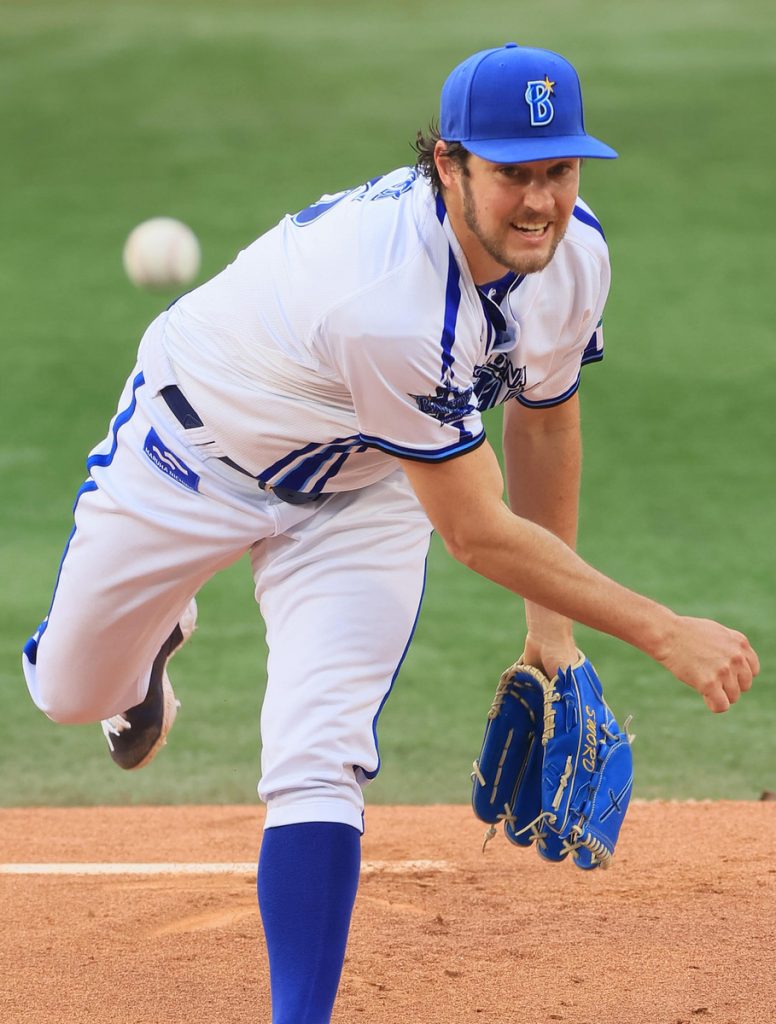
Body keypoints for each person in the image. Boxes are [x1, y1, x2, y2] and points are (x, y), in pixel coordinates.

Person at [22, 42, 759, 1024]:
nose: (539, 201)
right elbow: (473, 530)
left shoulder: (574, 258)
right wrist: (660, 627)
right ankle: (144, 652)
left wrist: (552, 636)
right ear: (447, 165)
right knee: (72, 693)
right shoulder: (387, 303)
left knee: (319, 754)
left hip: (367, 486)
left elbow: (544, 419)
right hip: (191, 460)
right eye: (510, 174)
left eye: (558, 169)